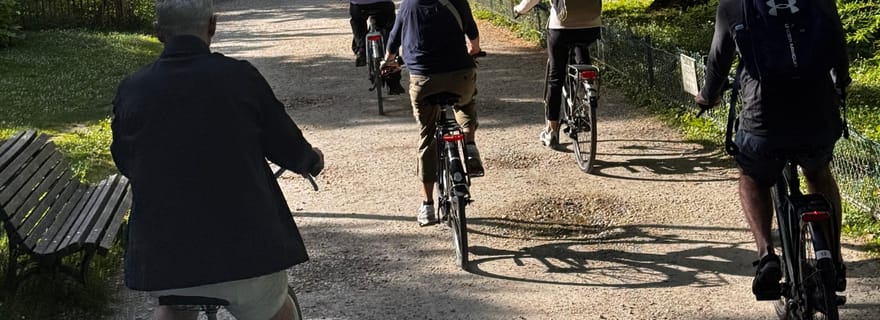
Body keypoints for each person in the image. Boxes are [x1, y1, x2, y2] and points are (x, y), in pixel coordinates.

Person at [110, 1, 323, 319]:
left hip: (167, 254)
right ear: (212, 26)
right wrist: (309, 161)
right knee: (275, 309)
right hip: (246, 249)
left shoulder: (132, 90)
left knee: (172, 308)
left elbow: (125, 159)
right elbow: (284, 142)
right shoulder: (241, 78)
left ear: (158, 33)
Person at [696, 0, 850, 300]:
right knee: (819, 172)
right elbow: (837, 46)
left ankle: (766, 254)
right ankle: (833, 256)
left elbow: (718, 60)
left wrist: (707, 96)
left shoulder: (734, 4)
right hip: (817, 114)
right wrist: (841, 84)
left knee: (752, 178)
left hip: (763, 120)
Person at [381, 0, 484, 226]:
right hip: (460, 75)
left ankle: (427, 206)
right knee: (465, 103)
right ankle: (469, 144)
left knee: (428, 136)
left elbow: (394, 40)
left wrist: (388, 61)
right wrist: (474, 50)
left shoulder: (408, 5)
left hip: (424, 80)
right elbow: (472, 30)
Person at [514, 0, 602, 148]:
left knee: (555, 77)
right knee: (582, 49)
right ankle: (587, 91)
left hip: (561, 28)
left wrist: (520, 9)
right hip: (591, 27)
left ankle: (551, 131)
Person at [349, 0, 406, 95]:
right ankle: (394, 83)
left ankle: (361, 49)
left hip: (359, 6)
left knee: (357, 22)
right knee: (390, 35)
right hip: (383, 4)